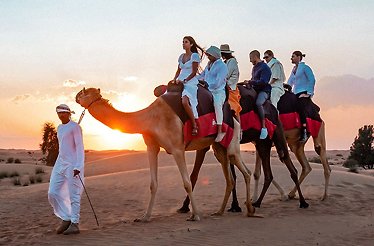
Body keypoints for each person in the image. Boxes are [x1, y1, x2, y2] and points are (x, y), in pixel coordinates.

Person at [48, 104, 85, 235]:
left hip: (73, 164)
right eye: (59, 113)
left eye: (63, 112)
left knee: (73, 194)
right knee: (53, 192)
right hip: (60, 162)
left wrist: (78, 166)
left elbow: (80, 148)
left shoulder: (75, 127)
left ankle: (75, 223)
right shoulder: (59, 128)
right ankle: (66, 217)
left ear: (69, 113)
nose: (61, 115)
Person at [173, 36, 204, 136]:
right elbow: (178, 70)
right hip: (180, 79)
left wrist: (185, 80)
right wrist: (174, 79)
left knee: (185, 101)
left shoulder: (194, 56)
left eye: (186, 42)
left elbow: (194, 72)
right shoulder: (181, 56)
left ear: (191, 44)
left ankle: (194, 124)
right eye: (183, 42)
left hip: (190, 81)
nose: (183, 44)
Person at [198, 46, 228, 142]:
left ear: (215, 55)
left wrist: (207, 86)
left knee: (217, 105)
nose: (208, 57)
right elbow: (202, 75)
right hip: (206, 89)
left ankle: (220, 130)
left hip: (217, 91)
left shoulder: (222, 66)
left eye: (209, 55)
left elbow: (218, 82)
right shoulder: (209, 64)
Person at [287, 50, 316, 142]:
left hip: (303, 92)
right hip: (295, 92)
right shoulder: (294, 69)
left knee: (300, 107)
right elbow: (290, 81)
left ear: (299, 57)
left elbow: (312, 79)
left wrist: (308, 93)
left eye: (293, 56)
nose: (291, 58)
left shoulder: (305, 68)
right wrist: (286, 88)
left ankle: (304, 130)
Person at [245, 50, 272, 139]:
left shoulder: (265, 68)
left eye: (251, 58)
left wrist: (251, 82)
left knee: (258, 103)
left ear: (255, 57)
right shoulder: (254, 68)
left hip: (264, 91)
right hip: (255, 90)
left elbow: (263, 82)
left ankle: (264, 127)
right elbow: (253, 80)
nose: (250, 61)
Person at [220, 44, 242, 124]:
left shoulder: (232, 61)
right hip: (223, 86)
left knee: (234, 107)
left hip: (230, 87)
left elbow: (226, 74)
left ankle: (239, 129)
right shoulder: (225, 62)